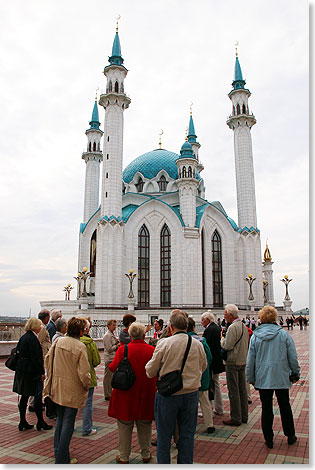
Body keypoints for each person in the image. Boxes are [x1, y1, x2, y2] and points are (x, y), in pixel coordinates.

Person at [146, 310, 207, 464]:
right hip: (190, 394)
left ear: (171, 327)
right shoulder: (197, 344)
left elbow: (150, 371)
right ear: (186, 327)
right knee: (187, 436)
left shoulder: (164, 343)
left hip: (168, 395)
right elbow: (204, 366)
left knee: (164, 436)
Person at [246, 306, 300, 449]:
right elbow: (292, 356)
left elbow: (250, 359)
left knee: (266, 408)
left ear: (261, 318)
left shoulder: (255, 337)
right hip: (281, 376)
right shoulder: (283, 335)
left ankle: (268, 439)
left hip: (263, 378)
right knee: (285, 405)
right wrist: (295, 373)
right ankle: (290, 435)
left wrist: (250, 377)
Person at [43, 317, 91, 464]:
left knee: (60, 420)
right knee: (68, 423)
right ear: (81, 331)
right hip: (72, 389)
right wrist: (87, 385)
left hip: (57, 387)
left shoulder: (58, 341)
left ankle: (58, 452)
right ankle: (62, 459)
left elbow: (47, 359)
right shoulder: (79, 346)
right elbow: (84, 373)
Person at [108, 322, 157, 464]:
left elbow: (112, 368)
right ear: (143, 334)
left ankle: (123, 457)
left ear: (130, 335)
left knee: (124, 425)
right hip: (146, 393)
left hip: (126, 394)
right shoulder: (151, 350)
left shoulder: (123, 350)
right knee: (145, 424)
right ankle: (146, 454)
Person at [13, 318, 53, 432]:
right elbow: (36, 359)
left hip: (23, 371)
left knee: (25, 396)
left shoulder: (24, 337)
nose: (41, 328)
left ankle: (22, 421)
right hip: (32, 372)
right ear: (35, 326)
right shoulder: (32, 339)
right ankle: (40, 421)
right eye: (39, 326)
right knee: (37, 396)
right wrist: (41, 372)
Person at [220, 304, 249, 426]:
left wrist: (221, 338)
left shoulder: (232, 328)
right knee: (242, 389)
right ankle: (244, 416)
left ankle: (236, 417)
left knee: (233, 390)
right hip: (242, 360)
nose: (225, 317)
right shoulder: (243, 326)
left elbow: (227, 346)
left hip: (233, 362)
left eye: (226, 315)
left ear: (231, 315)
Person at [187, 317, 215, 433]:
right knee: (205, 401)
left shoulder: (183, 340)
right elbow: (209, 357)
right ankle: (210, 424)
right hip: (202, 375)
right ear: (194, 327)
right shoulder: (202, 341)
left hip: (188, 377)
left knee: (189, 403)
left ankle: (189, 425)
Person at [80, 317, 101, 436]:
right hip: (88, 375)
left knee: (71, 404)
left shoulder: (69, 341)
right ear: (87, 329)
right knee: (88, 403)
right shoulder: (90, 343)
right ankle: (86, 428)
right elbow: (96, 361)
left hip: (73, 377)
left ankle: (68, 427)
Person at [201, 310, 225, 415]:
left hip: (211, 362)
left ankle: (209, 409)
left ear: (207, 320)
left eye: (202, 320)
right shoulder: (217, 328)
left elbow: (206, 348)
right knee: (216, 383)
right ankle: (219, 408)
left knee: (210, 385)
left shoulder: (208, 330)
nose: (201, 322)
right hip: (218, 361)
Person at [29, 309, 51, 412]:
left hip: (42, 356)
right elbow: (39, 343)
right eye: (48, 317)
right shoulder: (41, 328)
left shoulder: (42, 327)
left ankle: (35, 402)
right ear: (46, 317)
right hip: (41, 357)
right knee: (39, 381)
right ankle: (34, 403)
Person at [103, 319, 120, 400]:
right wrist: (117, 346)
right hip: (109, 358)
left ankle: (109, 393)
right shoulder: (107, 336)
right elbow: (109, 348)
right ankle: (107, 394)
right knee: (108, 377)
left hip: (112, 358)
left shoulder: (112, 334)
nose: (115, 327)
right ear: (109, 325)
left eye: (115, 325)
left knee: (111, 377)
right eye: (113, 325)